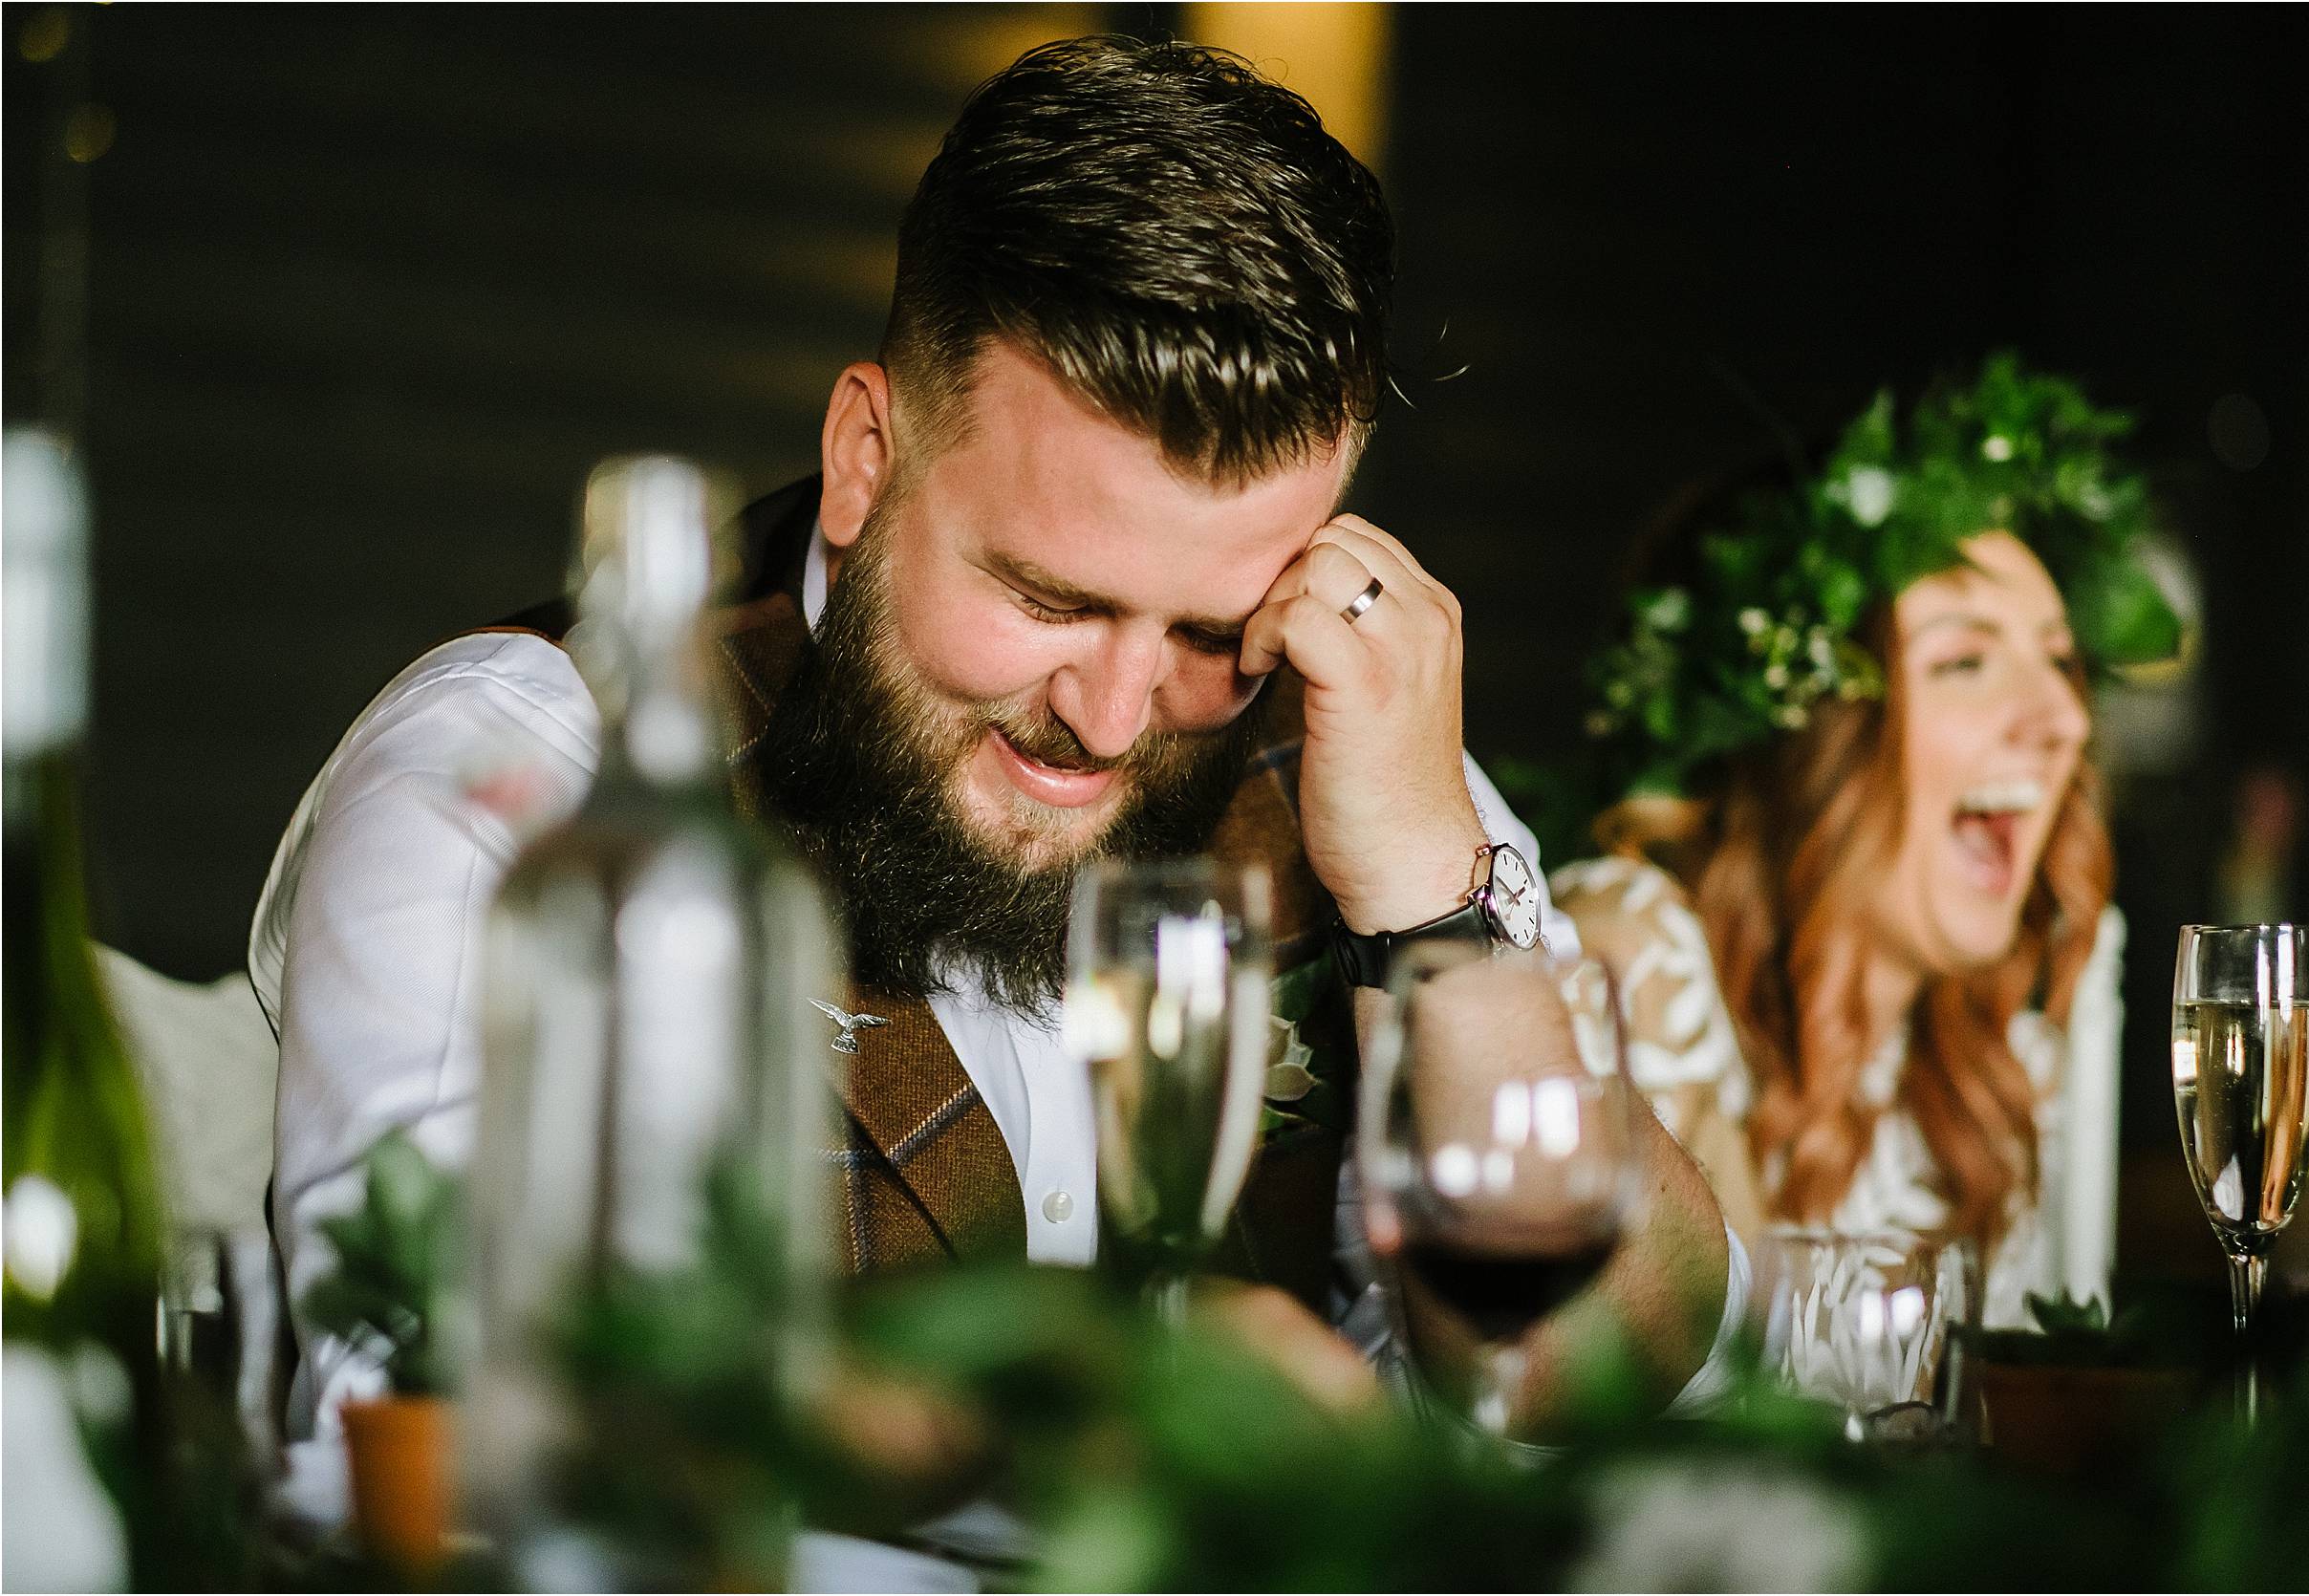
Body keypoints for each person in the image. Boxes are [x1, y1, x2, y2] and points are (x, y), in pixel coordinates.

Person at [249, 35, 1737, 1445]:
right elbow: (418, 1401)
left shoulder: (1356, 760)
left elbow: (1611, 1380)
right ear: (863, 462)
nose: (1106, 716)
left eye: (1213, 630)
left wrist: (1442, 902)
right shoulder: (535, 783)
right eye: (1047, 597)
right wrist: (1062, 1416)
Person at [1550, 356, 2179, 1326]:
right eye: (1964, 659)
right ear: (1812, 728)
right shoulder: (1627, 962)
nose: (2060, 715)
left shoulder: (1999, 1044)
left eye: (2060, 659)